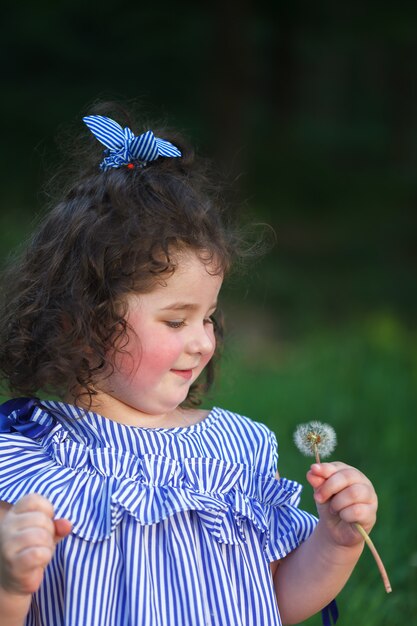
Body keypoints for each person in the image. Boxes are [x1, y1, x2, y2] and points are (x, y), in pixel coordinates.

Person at [0, 105, 377, 626]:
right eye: (176, 321)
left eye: (209, 318)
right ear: (76, 324)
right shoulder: (31, 459)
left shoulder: (235, 450)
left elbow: (273, 600)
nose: (203, 341)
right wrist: (10, 585)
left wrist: (335, 543)